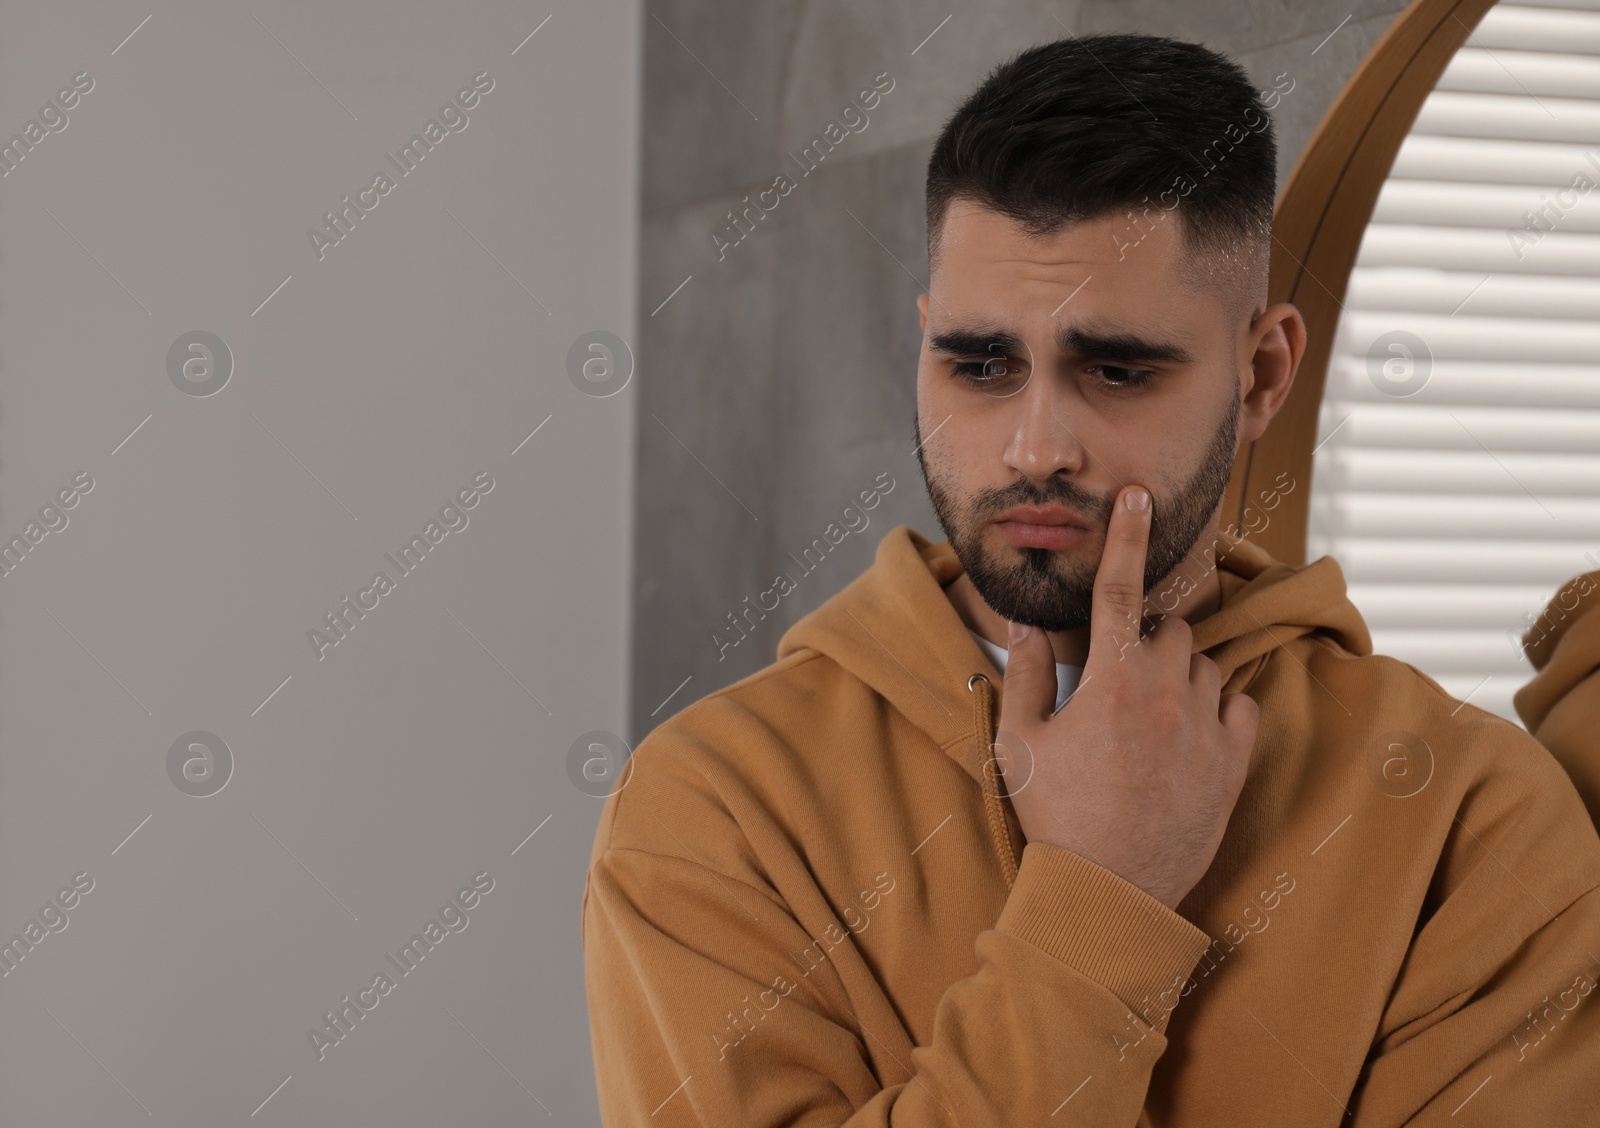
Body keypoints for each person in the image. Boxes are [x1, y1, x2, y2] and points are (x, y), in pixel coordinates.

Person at [582, 34, 1600, 1124]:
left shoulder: (1465, 815)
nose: (1033, 447)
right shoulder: (715, 808)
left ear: (1261, 376)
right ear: (920, 348)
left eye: (1115, 368)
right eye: (980, 364)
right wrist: (1098, 901)